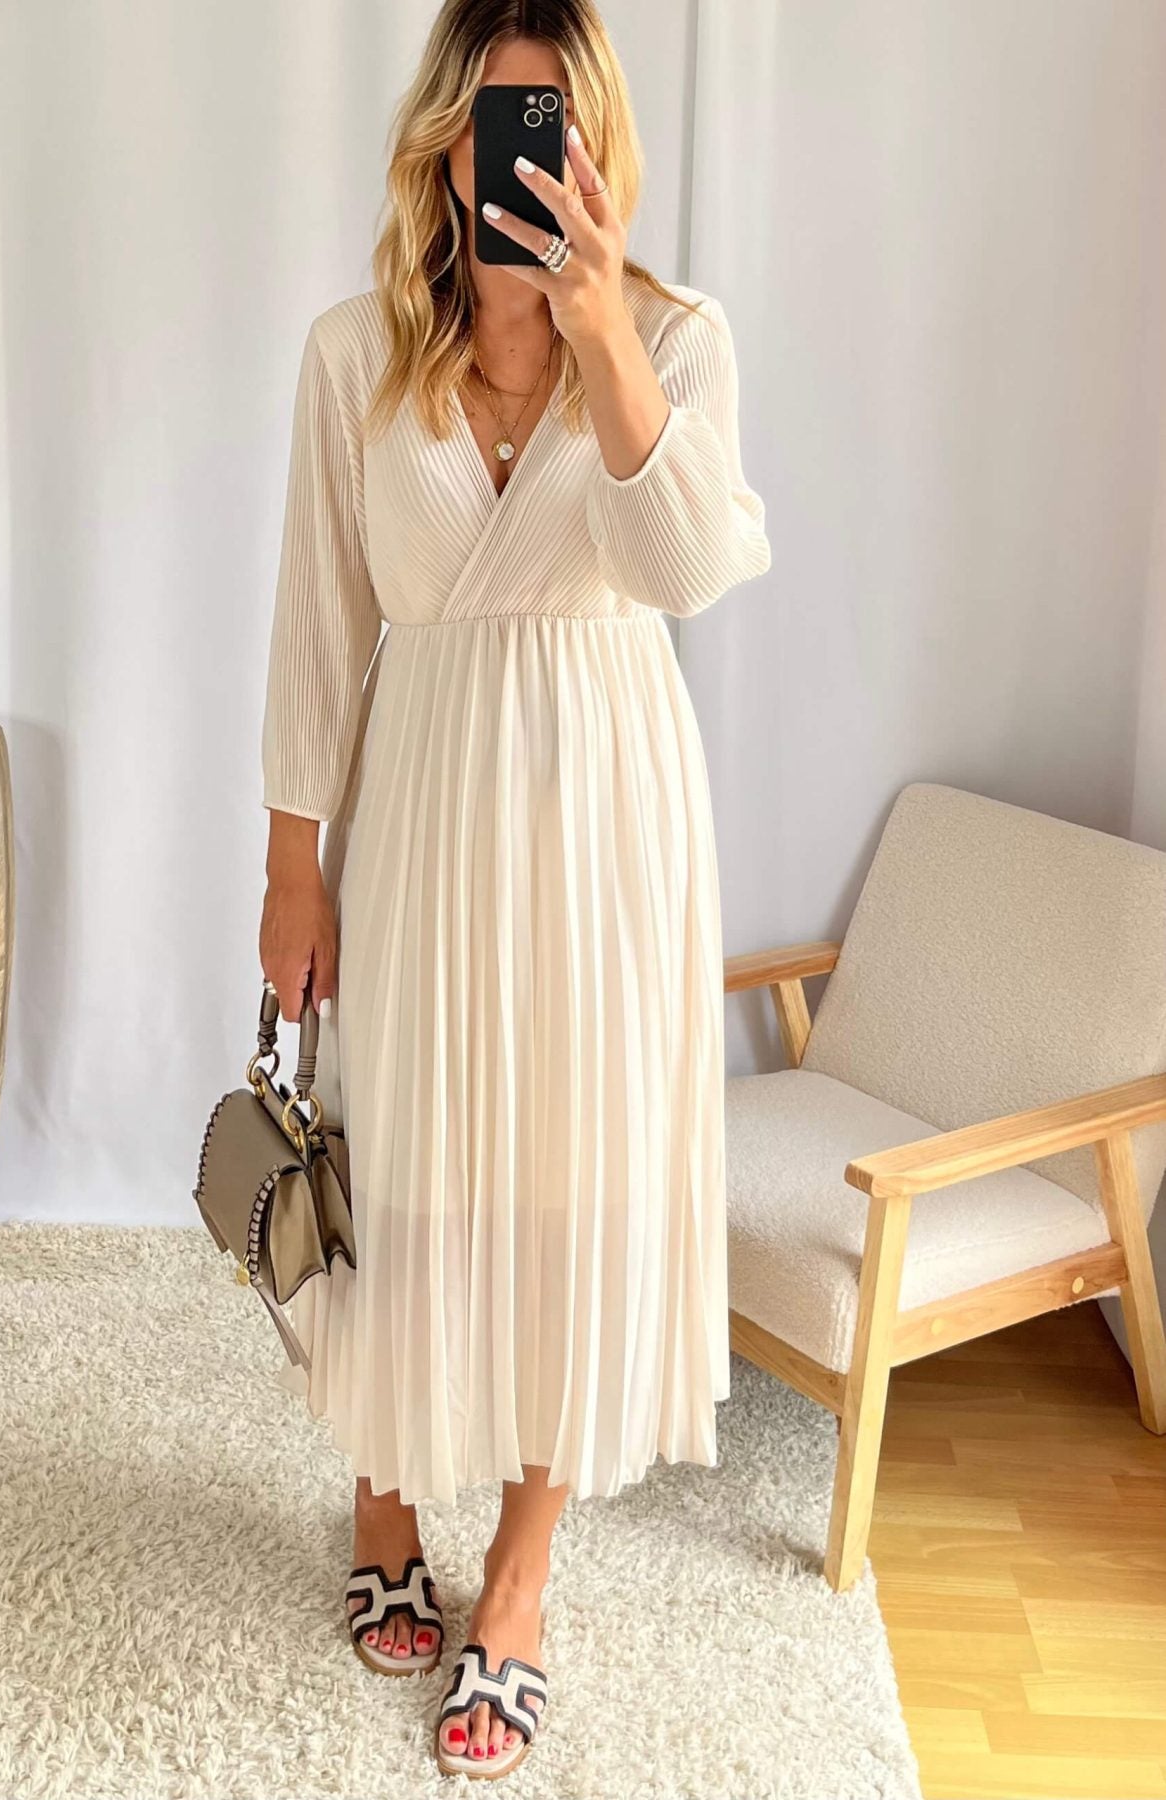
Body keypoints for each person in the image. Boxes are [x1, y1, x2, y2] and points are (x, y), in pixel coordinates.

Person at [257, 0, 772, 1779]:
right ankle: (383, 1497)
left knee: (575, 1179)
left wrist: (601, 326)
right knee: (400, 1162)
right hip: (419, 804)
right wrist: (290, 866)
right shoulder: (353, 353)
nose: (521, 159)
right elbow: (318, 627)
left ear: (600, 144)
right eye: (494, 123)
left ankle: (520, 1578)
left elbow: (686, 567)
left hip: (608, 815)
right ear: (442, 140)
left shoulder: (680, 339)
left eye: (552, 126)